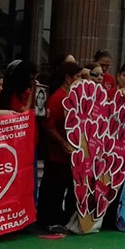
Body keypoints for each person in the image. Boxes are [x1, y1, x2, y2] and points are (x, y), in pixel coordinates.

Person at [37, 61, 84, 232]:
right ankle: (48, 220)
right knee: (54, 187)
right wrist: (63, 143)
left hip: (70, 153)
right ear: (68, 78)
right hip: (58, 153)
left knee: (64, 186)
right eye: (78, 77)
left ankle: (59, 217)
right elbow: (49, 126)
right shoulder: (58, 98)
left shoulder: (74, 96)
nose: (81, 80)